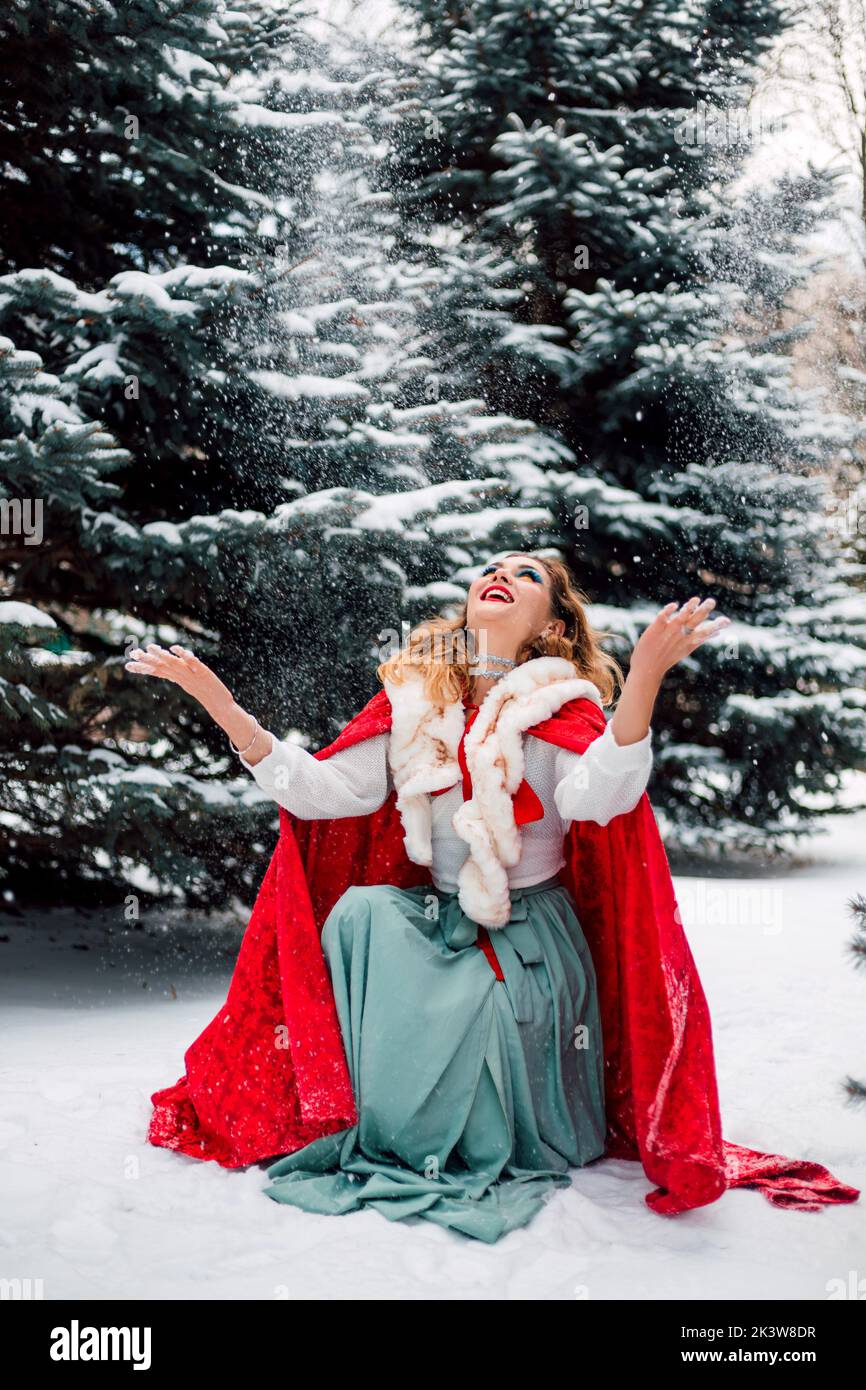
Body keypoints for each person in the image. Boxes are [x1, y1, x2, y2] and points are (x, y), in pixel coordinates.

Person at [129, 552, 858, 1241]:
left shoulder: (561, 710)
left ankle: (474, 1124)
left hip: (529, 932)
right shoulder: (412, 704)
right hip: (437, 919)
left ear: (552, 623)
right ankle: (383, 1120)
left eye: (526, 574)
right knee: (357, 914)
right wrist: (220, 704)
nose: (500, 576)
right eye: (492, 569)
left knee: (482, 1006)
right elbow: (322, 796)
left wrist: (643, 681)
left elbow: (605, 795)